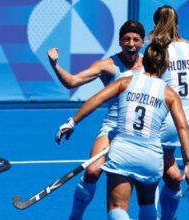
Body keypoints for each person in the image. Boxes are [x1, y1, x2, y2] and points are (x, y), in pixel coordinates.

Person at [56, 37, 189, 220]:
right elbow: (183, 127)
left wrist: (72, 122)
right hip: (151, 157)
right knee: (147, 204)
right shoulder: (170, 93)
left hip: (123, 152)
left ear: (144, 61)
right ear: (165, 66)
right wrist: (188, 163)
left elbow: (95, 100)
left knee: (118, 209)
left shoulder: (125, 82)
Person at [47, 20, 145, 219]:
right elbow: (72, 81)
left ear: (143, 42)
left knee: (147, 178)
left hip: (141, 130)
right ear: (119, 42)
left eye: (136, 39)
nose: (131, 43)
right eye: (126, 39)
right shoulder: (108, 66)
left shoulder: (151, 64)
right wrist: (55, 65)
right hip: (113, 127)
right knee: (92, 171)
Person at [150, 5, 189, 220]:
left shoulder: (155, 50)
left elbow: (149, 83)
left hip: (167, 118)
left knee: (160, 176)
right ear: (177, 23)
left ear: (156, 23)